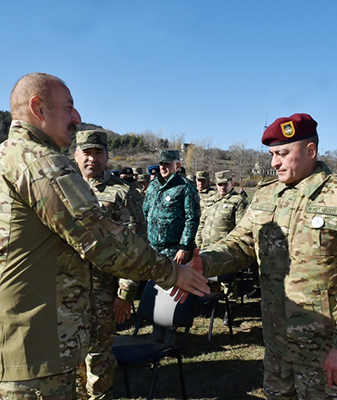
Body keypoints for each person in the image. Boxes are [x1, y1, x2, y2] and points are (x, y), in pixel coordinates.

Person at [0, 73, 208, 399]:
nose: (77, 118)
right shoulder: (38, 161)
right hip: (32, 348)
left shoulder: (11, 155)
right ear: (38, 108)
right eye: (68, 107)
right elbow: (101, 238)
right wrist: (171, 273)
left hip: (29, 340)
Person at [188, 113, 337, 399]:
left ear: (310, 151)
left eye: (282, 153)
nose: (274, 162)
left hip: (322, 350)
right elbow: (242, 243)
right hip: (276, 344)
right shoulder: (266, 195)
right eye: (272, 154)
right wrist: (205, 261)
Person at [73, 129, 146, 400]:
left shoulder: (122, 192)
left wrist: (125, 294)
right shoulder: (66, 187)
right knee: (70, 353)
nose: (92, 159)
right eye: (87, 153)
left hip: (102, 290)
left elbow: (136, 247)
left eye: (98, 153)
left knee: (98, 357)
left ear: (106, 156)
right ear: (76, 155)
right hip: (66, 289)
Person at [144, 149, 201, 343]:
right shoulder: (152, 187)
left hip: (174, 250)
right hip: (154, 249)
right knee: (157, 288)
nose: (163, 167)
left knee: (174, 290)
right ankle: (156, 328)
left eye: (168, 164)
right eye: (161, 164)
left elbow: (192, 219)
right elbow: (146, 213)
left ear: (177, 165)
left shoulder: (185, 187)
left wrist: (184, 247)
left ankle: (171, 330)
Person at [195, 169, 249, 324]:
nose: (222, 187)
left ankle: (230, 309)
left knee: (228, 282)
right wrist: (199, 242)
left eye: (225, 184)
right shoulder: (211, 200)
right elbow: (202, 223)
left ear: (231, 183)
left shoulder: (238, 201)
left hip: (225, 251)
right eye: (219, 184)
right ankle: (211, 307)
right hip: (206, 248)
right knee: (208, 280)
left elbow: (241, 228)